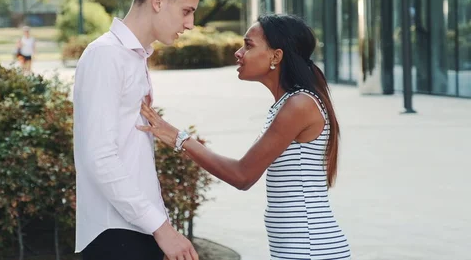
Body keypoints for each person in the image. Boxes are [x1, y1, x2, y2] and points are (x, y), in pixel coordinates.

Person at [138, 14, 352, 260]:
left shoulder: (299, 104)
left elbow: (243, 175)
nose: (238, 53)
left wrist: (178, 137)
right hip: (302, 248)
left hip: (311, 249)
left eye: (248, 45)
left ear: (276, 56)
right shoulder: (289, 103)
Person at [73, 0, 208, 260]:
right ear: (158, 0)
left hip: (136, 230)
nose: (190, 24)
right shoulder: (106, 55)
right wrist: (162, 228)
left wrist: (157, 226)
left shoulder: (133, 56)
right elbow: (100, 158)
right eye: (187, 11)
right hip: (115, 234)